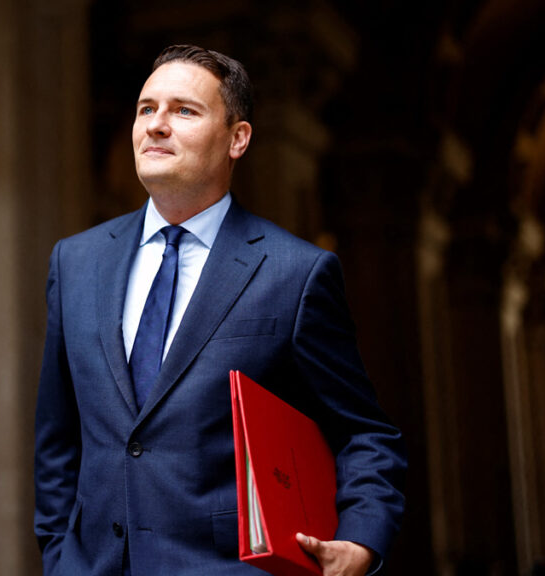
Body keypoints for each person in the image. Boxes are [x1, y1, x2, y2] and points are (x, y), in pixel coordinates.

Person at [34, 44, 406, 576]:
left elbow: (365, 434)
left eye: (184, 110)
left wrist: (361, 542)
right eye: (147, 109)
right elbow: (57, 434)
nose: (157, 125)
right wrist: (56, 555)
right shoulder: (75, 262)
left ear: (238, 138)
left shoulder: (295, 273)